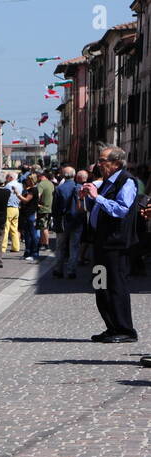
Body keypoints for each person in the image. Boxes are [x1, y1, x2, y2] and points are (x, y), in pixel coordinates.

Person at [81, 146, 139, 343]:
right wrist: (89, 198)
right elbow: (98, 205)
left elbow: (122, 209)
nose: (99, 164)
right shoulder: (106, 182)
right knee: (100, 284)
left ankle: (125, 329)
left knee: (116, 285)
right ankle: (111, 326)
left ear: (116, 163)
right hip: (100, 242)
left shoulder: (126, 181)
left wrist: (98, 197)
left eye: (103, 160)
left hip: (116, 243)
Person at [51, 166, 83, 279]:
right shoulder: (79, 187)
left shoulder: (59, 189)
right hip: (77, 221)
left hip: (63, 221)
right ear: (74, 175)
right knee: (74, 246)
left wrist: (55, 219)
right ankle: (71, 271)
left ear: (63, 175)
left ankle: (58, 269)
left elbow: (54, 207)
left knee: (60, 246)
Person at [18, 174, 40, 262]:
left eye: (28, 180)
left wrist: (17, 194)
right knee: (27, 234)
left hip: (30, 214)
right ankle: (27, 251)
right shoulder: (30, 189)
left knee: (33, 234)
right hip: (26, 214)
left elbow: (26, 200)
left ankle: (34, 253)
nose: (26, 181)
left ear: (31, 180)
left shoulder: (33, 189)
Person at [1, 171, 23, 253]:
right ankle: (16, 247)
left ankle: (3, 247)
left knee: (5, 228)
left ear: (11, 178)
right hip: (16, 208)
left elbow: (4, 196)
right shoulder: (20, 185)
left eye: (7, 177)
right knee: (14, 229)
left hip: (8, 207)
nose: (6, 178)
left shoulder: (8, 185)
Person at [35, 170, 54, 252]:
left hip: (43, 208)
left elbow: (37, 195)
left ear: (40, 176)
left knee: (43, 227)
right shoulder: (51, 183)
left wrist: (36, 204)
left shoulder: (41, 184)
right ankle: (43, 243)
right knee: (45, 226)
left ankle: (46, 244)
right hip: (50, 208)